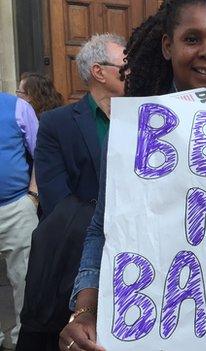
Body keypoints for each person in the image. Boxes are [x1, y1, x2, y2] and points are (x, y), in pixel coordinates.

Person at [58, 1, 206, 350]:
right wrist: (84, 312)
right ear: (168, 46)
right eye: (192, 40)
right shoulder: (136, 129)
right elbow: (102, 228)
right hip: (164, 319)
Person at [16, 34, 126, 351]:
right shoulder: (56, 123)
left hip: (134, 262)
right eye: (124, 67)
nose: (132, 73)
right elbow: (55, 200)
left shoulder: (146, 120)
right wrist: (110, 229)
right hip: (76, 260)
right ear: (98, 71)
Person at [0, 92, 39, 350]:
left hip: (16, 207)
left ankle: (21, 340)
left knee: (25, 278)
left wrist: (33, 195)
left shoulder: (18, 108)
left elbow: (41, 152)